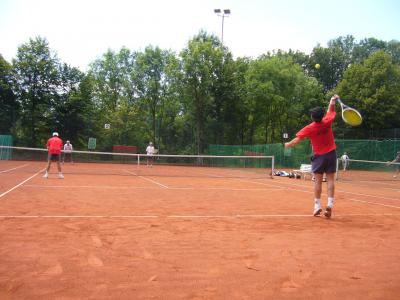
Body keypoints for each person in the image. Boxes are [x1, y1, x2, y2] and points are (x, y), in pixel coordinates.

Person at [285, 95, 339, 218]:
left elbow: (296, 140)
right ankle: (330, 204)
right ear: (321, 116)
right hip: (331, 154)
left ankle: (317, 206)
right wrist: (332, 101)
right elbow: (330, 111)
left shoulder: (310, 128)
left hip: (319, 156)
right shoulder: (327, 121)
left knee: (318, 182)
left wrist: (287, 144)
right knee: (330, 180)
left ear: (313, 117)